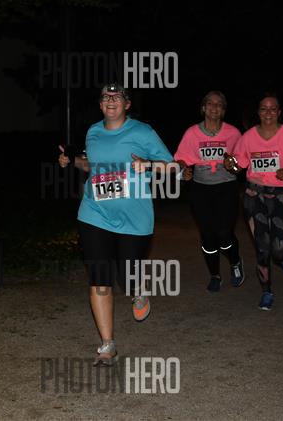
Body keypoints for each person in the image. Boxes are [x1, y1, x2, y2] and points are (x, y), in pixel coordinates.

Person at [58, 83, 177, 366]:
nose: (110, 100)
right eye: (105, 97)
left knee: (128, 276)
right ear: (100, 105)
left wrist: (148, 165)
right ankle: (107, 344)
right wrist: (72, 160)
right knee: (99, 277)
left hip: (134, 219)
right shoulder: (93, 132)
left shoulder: (143, 132)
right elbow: (92, 166)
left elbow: (174, 166)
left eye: (117, 97)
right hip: (94, 213)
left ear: (127, 105)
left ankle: (138, 290)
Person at [226, 94, 283, 310]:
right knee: (262, 248)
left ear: (279, 112)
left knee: (278, 250)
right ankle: (266, 291)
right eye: (264, 108)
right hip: (254, 195)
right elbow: (237, 166)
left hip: (280, 195)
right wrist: (229, 164)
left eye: (273, 109)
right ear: (258, 112)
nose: (268, 113)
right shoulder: (248, 137)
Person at [174, 91, 245, 292]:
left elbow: (241, 163)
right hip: (201, 190)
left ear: (223, 110)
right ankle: (215, 275)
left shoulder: (233, 133)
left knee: (224, 234)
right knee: (207, 236)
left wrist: (234, 166)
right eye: (210, 104)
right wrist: (183, 171)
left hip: (226, 187)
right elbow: (180, 159)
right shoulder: (192, 133)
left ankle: (235, 262)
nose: (214, 107)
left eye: (219, 104)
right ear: (203, 108)